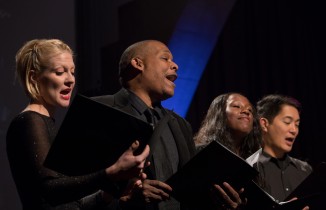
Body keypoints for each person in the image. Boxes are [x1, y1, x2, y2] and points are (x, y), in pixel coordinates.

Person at [6, 39, 150, 210]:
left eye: (72, 72)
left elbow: (69, 204)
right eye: (60, 72)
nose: (70, 80)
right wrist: (111, 173)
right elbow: (49, 191)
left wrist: (108, 195)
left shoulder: (45, 123)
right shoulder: (30, 121)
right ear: (33, 77)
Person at [92, 40, 197, 210]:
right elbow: (76, 188)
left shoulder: (181, 124)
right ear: (138, 63)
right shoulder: (99, 110)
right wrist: (125, 201)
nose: (175, 65)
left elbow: (192, 190)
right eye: (165, 58)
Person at [193, 92, 261, 209]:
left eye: (250, 110)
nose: (246, 111)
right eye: (236, 106)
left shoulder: (254, 160)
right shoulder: (201, 152)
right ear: (220, 113)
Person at [246, 94, 312, 205]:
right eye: (287, 122)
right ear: (265, 124)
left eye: (297, 124)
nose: (294, 130)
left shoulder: (305, 170)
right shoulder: (251, 168)